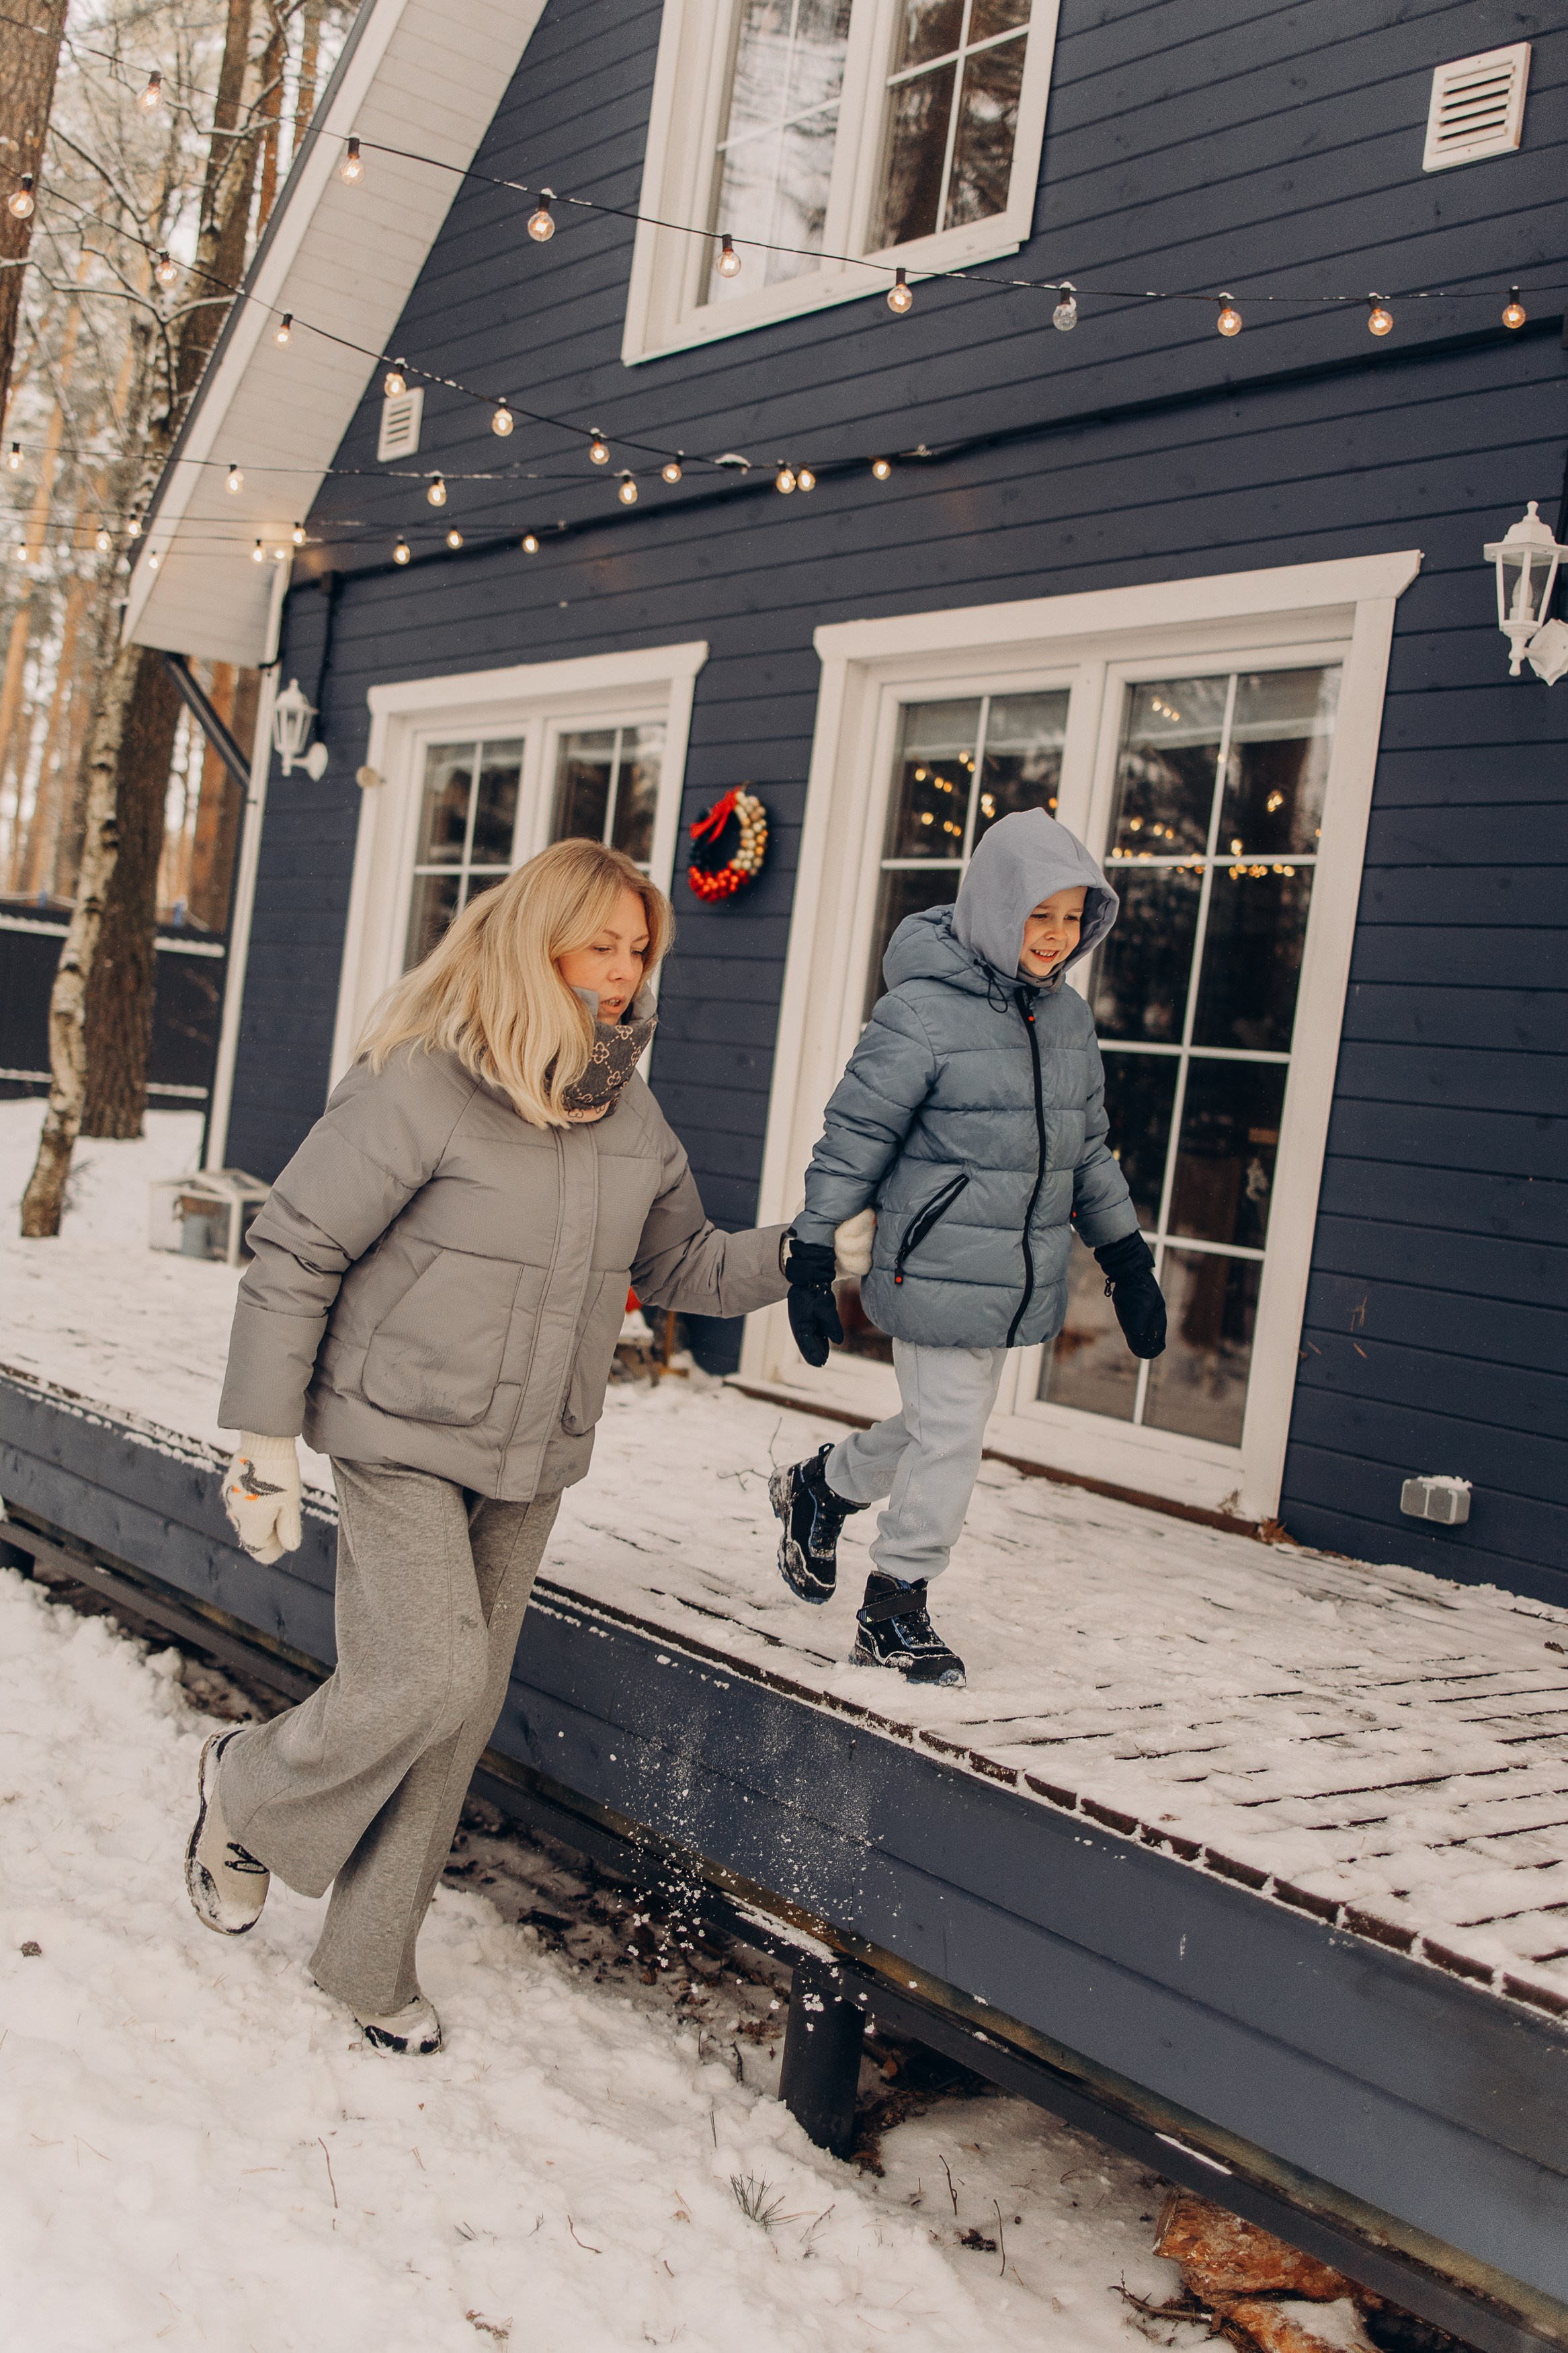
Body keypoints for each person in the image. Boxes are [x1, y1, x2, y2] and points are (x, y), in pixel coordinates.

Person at [185, 838, 788, 2052]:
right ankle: (244, 1789)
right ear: (537, 938)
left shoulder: (628, 1110)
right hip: (398, 1428)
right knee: (429, 1676)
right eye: (598, 945)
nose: (621, 974)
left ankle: (365, 1962)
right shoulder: (426, 1081)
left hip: (533, 1450)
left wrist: (816, 1253)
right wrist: (262, 1437)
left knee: (456, 1717)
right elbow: (296, 1248)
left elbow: (681, 1265)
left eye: (638, 950)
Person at [770, 808, 1165, 1688]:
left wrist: (1127, 1259)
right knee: (950, 1430)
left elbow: (1085, 1150)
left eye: (1072, 918)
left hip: (1014, 1272)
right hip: (933, 1259)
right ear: (994, 907)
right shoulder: (919, 1012)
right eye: (1039, 915)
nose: (1056, 938)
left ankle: (823, 1487)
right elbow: (854, 1137)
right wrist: (811, 1250)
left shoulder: (1064, 1020)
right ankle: (894, 1605)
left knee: (937, 1425)